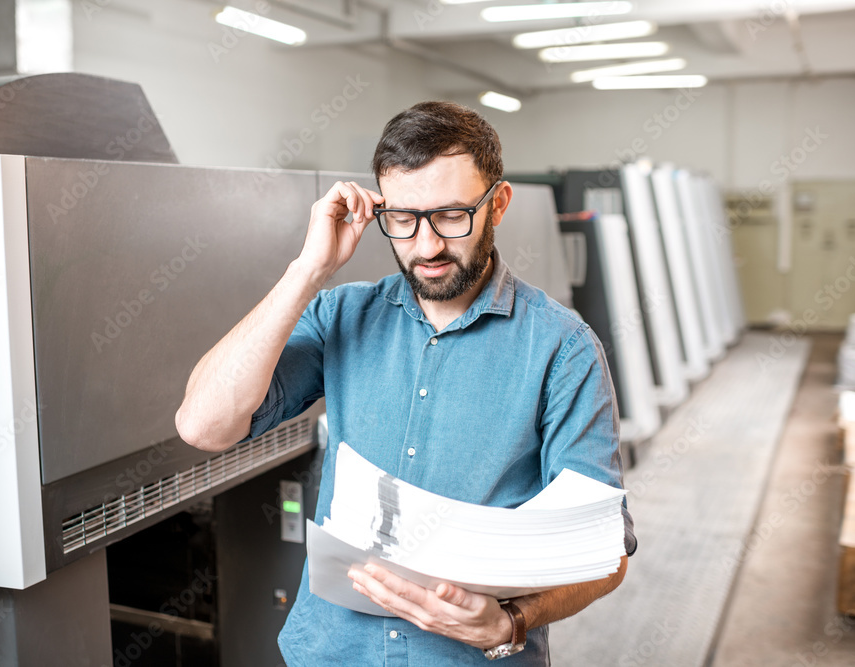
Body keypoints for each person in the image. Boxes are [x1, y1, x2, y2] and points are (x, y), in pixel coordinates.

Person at [176, 101, 635, 665]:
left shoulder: (562, 348)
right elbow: (203, 425)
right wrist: (308, 271)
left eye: (450, 216)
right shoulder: (341, 315)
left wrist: (509, 622)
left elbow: (605, 550)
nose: (427, 246)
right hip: (328, 654)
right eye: (404, 219)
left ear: (499, 204)